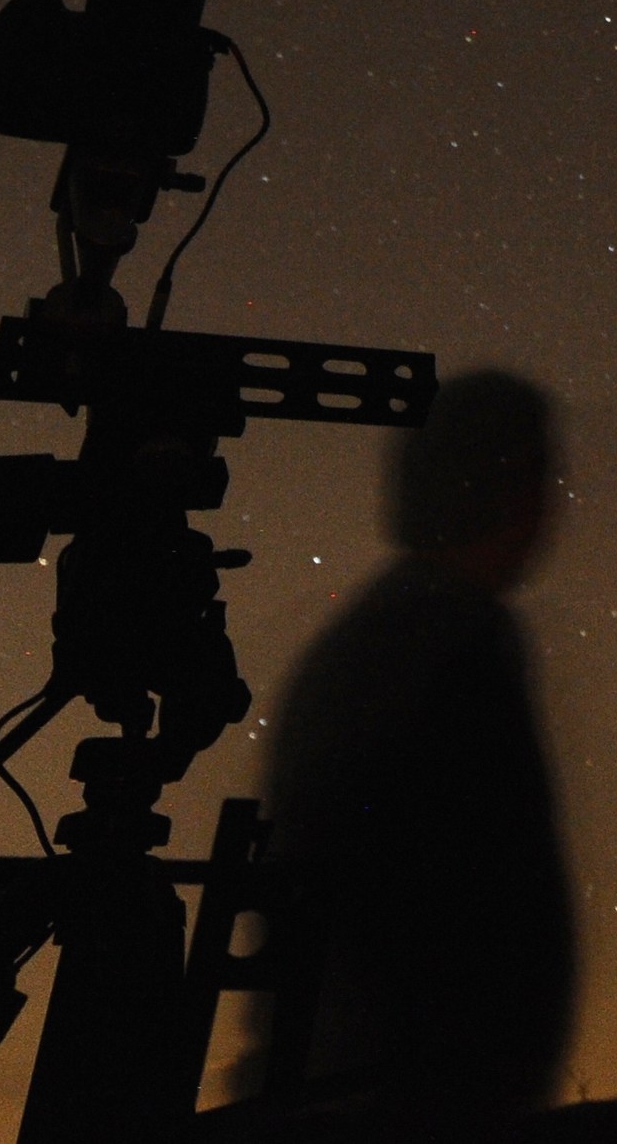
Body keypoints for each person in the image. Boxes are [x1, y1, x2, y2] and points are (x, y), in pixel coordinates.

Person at [252, 369, 577, 1140]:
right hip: (407, 1095)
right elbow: (481, 887)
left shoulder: (377, 636)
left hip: (348, 1081)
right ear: (507, 487)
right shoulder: (453, 638)